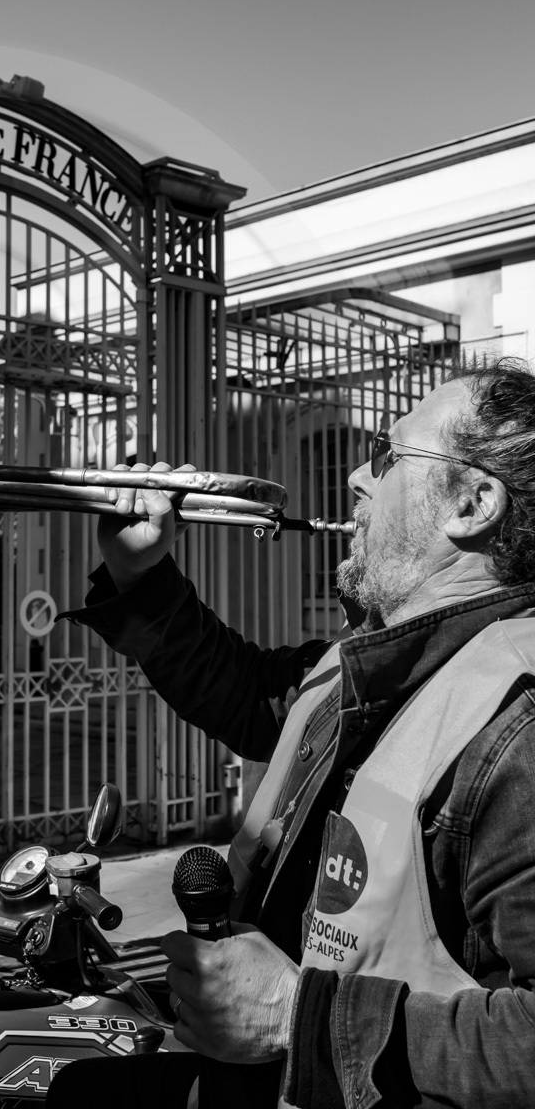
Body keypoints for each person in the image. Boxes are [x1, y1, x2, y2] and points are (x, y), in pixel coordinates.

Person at [63, 357, 535, 1107]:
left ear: (473, 504)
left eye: (387, 455)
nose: (355, 476)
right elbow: (250, 696)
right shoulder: (368, 661)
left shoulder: (521, 731)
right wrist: (140, 575)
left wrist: (298, 1017)